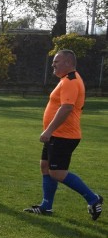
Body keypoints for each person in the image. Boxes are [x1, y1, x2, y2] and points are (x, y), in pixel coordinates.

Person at [23, 49, 102, 219]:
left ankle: (93, 199)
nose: (53, 64)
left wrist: (49, 130)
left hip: (64, 135)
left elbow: (67, 108)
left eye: (56, 62)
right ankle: (46, 206)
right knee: (45, 166)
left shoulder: (71, 81)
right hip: (56, 135)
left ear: (68, 63)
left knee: (57, 173)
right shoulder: (65, 79)